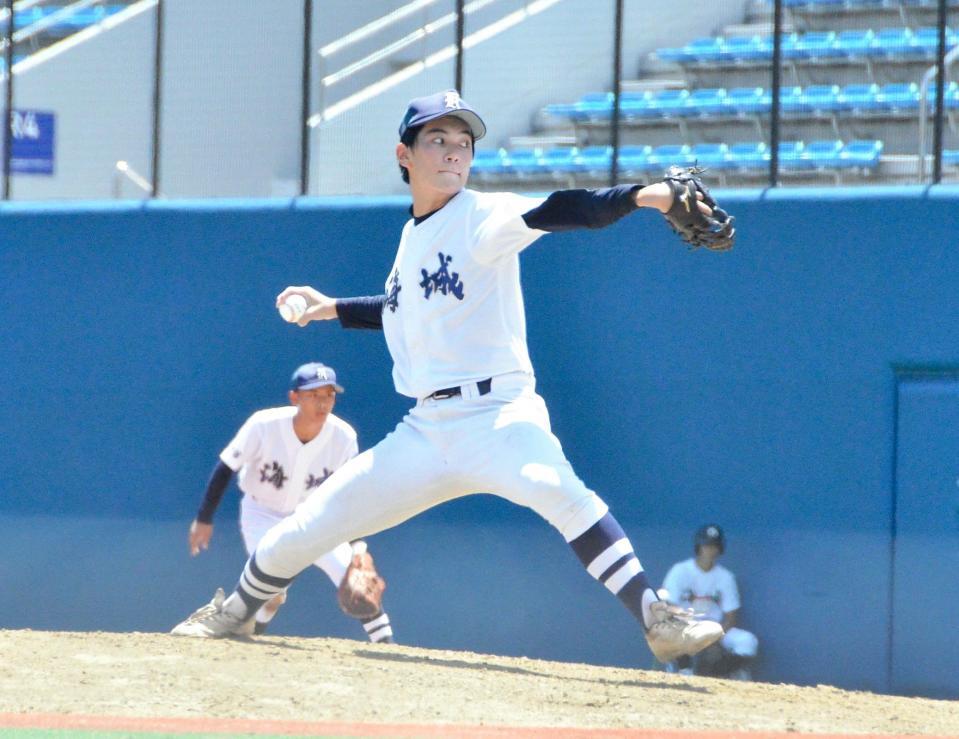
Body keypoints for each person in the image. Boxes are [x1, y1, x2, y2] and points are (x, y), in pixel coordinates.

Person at [171, 88, 728, 664]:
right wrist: (330, 307)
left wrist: (647, 195)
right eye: (437, 139)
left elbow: (566, 208)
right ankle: (236, 612)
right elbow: (398, 309)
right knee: (310, 525)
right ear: (404, 153)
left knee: (558, 489)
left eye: (463, 143)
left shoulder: (482, 216)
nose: (454, 152)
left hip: (500, 416)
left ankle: (655, 614)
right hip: (427, 428)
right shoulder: (412, 238)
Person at [180, 361, 394, 644]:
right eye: (314, 395)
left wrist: (358, 547)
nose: (323, 403)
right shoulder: (263, 425)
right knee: (272, 593)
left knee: (356, 579)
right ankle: (252, 632)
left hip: (314, 518)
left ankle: (387, 648)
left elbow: (349, 495)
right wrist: (204, 518)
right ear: (295, 397)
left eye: (329, 395)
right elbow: (226, 467)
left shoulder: (343, 437)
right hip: (262, 513)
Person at [659, 525, 758, 679]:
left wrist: (714, 638)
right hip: (686, 625)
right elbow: (668, 607)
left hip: (716, 629)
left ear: (720, 549)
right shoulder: (680, 571)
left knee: (748, 641)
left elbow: (731, 616)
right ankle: (683, 671)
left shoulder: (725, 577)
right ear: (699, 546)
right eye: (706, 545)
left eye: (715, 546)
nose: (710, 550)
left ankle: (716, 675)